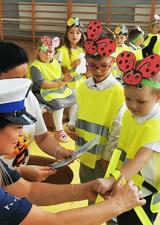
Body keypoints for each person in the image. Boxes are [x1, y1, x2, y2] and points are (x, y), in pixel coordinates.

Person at [0, 78, 145, 225]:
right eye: (18, 128)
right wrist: (119, 204)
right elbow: (53, 223)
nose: (21, 135)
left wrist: (87, 189)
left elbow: (28, 190)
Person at [0, 38, 74, 184]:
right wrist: (21, 172)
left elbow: (42, 136)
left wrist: (59, 151)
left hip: (18, 170)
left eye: (25, 77)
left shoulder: (27, 96)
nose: (23, 84)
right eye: (15, 79)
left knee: (64, 174)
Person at [103, 51, 160, 225]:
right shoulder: (130, 115)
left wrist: (113, 180)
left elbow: (141, 160)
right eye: (128, 98)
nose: (133, 105)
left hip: (144, 193)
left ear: (158, 96)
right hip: (127, 184)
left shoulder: (157, 126)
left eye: (141, 102)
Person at [67, 20, 125, 204]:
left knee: (106, 200)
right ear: (86, 61)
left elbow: (117, 128)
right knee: (89, 194)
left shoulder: (117, 92)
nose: (98, 71)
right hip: (84, 155)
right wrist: (72, 125)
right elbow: (79, 108)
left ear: (113, 62)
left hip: (103, 160)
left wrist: (107, 158)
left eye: (104, 66)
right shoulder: (84, 87)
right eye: (93, 66)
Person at [28, 36, 77, 143]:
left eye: (50, 52)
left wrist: (65, 78)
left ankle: (71, 123)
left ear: (54, 51)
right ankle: (59, 130)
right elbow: (43, 84)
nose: (48, 54)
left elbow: (58, 76)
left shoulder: (55, 62)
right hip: (41, 92)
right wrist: (59, 84)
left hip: (56, 88)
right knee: (58, 103)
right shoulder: (35, 67)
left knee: (75, 96)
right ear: (38, 51)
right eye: (44, 51)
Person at [56, 17, 86, 90]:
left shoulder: (82, 50)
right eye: (71, 32)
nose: (74, 35)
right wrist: (72, 65)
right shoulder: (61, 51)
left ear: (81, 35)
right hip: (69, 86)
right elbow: (62, 71)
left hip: (82, 83)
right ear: (67, 34)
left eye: (77, 33)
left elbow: (83, 71)